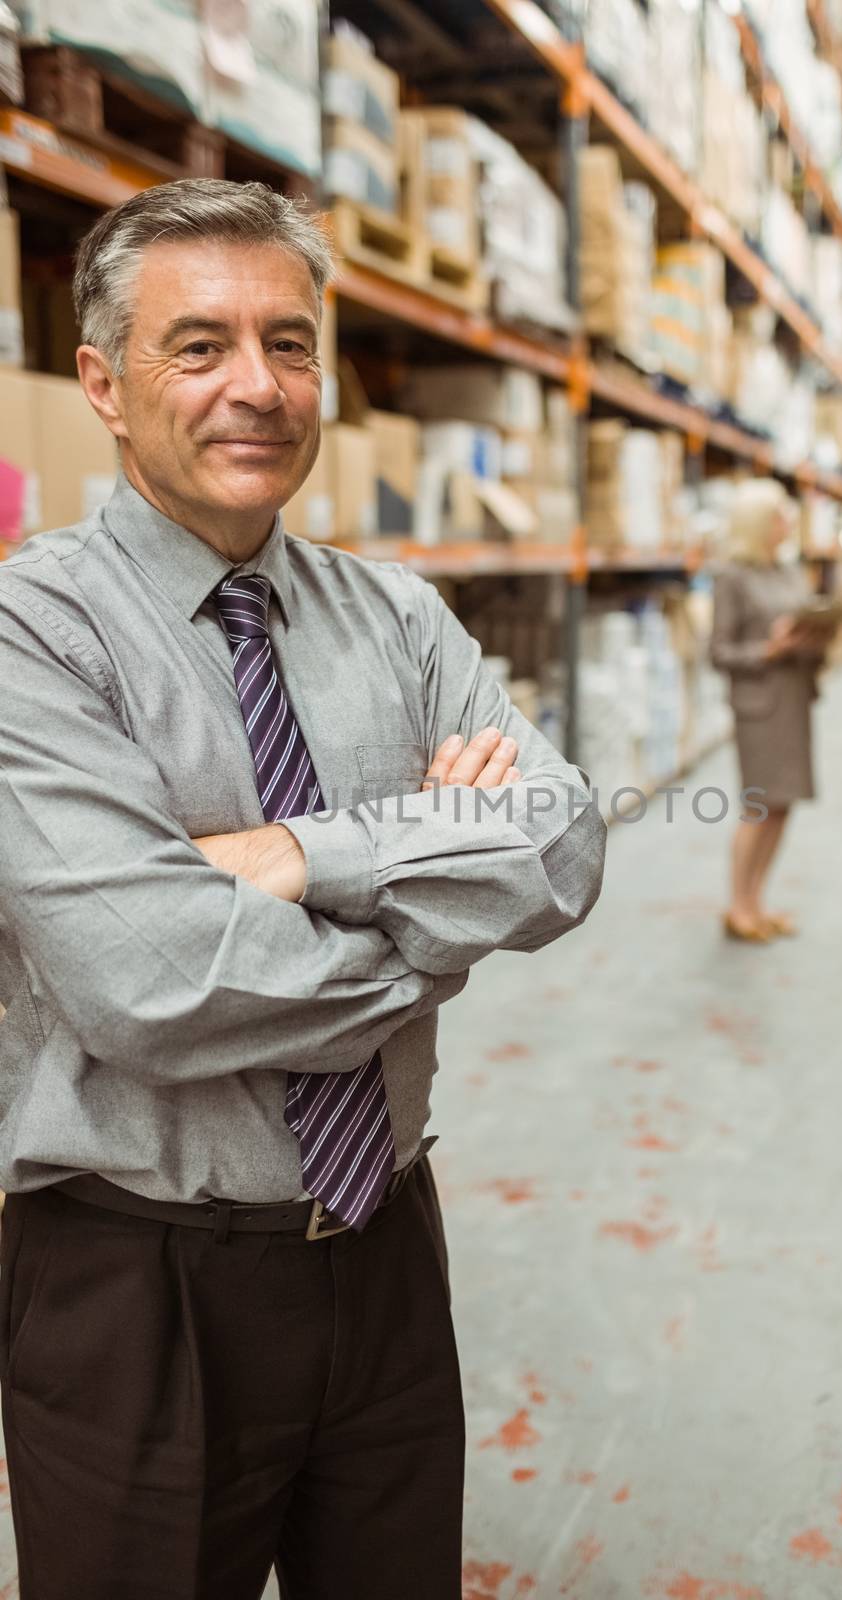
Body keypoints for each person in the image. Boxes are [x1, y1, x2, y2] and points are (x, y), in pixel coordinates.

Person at [0, 178, 606, 1600]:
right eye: (196, 346)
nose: (255, 388)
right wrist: (432, 929)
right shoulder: (35, 636)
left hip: (386, 1243)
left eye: (289, 342)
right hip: (137, 1282)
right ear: (101, 380)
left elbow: (564, 840)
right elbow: (151, 986)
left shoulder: (393, 613)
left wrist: (307, 856)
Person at [711, 478, 830, 942]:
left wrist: (817, 637)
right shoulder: (733, 577)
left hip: (795, 698)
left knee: (783, 807)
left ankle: (758, 900)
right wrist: (771, 649)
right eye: (780, 516)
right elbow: (719, 652)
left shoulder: (789, 571)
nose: (788, 523)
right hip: (760, 706)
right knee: (759, 807)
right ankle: (738, 906)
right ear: (759, 524)